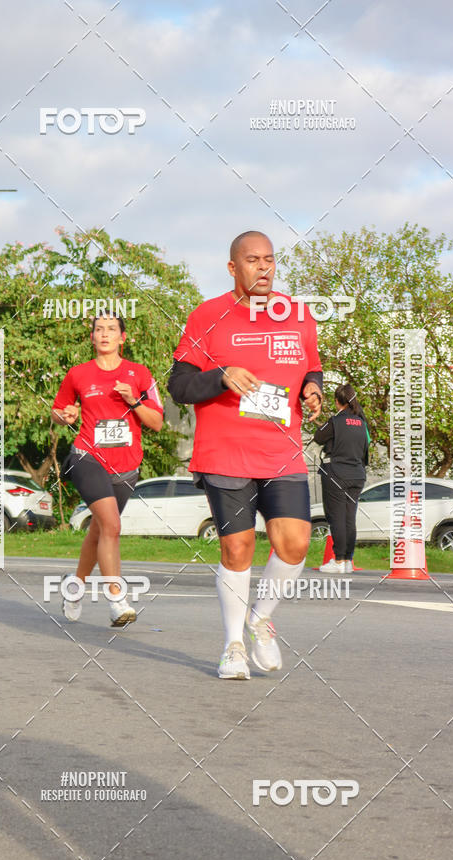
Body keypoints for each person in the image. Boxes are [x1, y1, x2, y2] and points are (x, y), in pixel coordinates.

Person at [168, 230, 323, 680]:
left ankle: (260, 619)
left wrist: (312, 388)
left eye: (270, 259)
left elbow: (309, 365)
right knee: (238, 549)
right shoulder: (207, 316)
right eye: (253, 260)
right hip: (225, 453)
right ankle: (234, 644)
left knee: (294, 544)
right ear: (233, 267)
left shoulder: (296, 313)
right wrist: (220, 375)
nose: (264, 267)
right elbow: (179, 387)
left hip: (281, 451)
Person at [51, 314, 163, 625]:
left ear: (122, 338)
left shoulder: (139, 374)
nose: (104, 335)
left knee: (99, 530)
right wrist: (67, 415)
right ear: (92, 338)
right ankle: (117, 599)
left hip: (126, 467)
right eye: (98, 330)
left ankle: (74, 588)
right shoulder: (78, 374)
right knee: (112, 526)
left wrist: (133, 400)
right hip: (88, 457)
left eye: (111, 330)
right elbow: (58, 411)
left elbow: (156, 422)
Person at [313, 384, 369, 574]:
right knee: (348, 518)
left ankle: (337, 561)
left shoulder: (336, 421)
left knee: (336, 517)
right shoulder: (362, 423)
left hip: (336, 473)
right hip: (357, 475)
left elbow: (319, 437)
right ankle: (346, 560)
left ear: (338, 402)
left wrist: (320, 423)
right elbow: (364, 451)